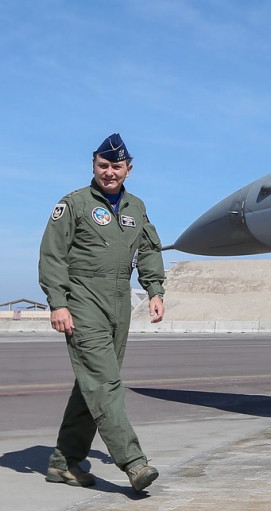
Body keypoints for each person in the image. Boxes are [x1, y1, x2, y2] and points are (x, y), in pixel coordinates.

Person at [38, 133, 166, 492]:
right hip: (82, 301)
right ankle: (134, 463)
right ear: (94, 164)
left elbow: (150, 248)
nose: (109, 172)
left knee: (92, 385)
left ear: (129, 169)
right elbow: (51, 255)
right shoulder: (74, 203)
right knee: (106, 385)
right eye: (103, 165)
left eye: (116, 166)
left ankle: (64, 463)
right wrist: (58, 302)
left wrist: (155, 290)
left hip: (119, 303)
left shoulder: (136, 208)